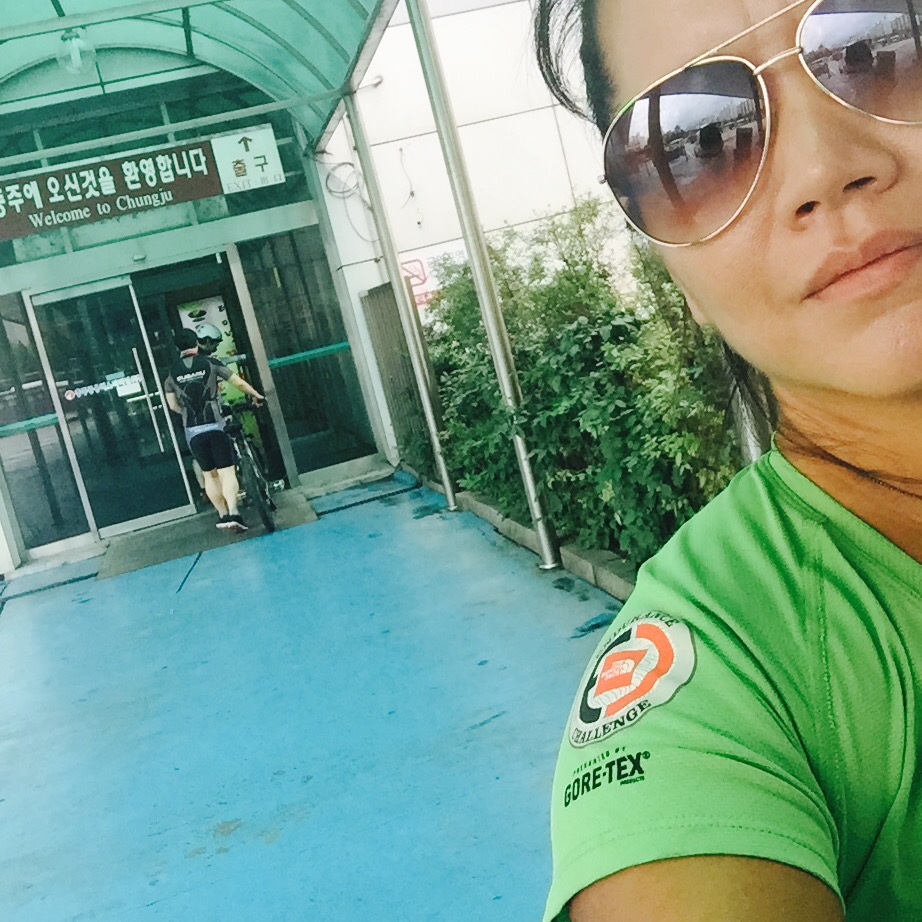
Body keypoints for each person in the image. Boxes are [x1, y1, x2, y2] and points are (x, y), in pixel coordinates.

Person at [534, 1, 922, 920]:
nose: (823, 169)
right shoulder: (729, 674)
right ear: (680, 278)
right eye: (694, 146)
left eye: (881, 46)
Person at [163, 327, 264, 532]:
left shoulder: (171, 373)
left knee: (210, 476)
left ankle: (223, 515)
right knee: (227, 472)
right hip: (216, 426)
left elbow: (172, 405)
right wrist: (256, 395)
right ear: (196, 342)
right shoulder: (211, 363)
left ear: (177, 347)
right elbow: (237, 382)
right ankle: (234, 512)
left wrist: (188, 414)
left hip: (193, 431)